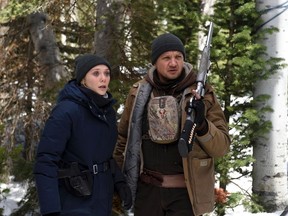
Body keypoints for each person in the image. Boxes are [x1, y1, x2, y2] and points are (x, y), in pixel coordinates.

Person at [114, 33, 231, 216]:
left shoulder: (202, 93)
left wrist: (202, 125)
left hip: (186, 197)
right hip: (147, 195)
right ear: (155, 62)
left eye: (178, 57)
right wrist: (118, 181)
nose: (173, 63)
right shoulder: (138, 93)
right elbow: (123, 139)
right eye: (166, 58)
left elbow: (221, 147)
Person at [34, 54, 132, 216]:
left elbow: (105, 157)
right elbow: (46, 161)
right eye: (96, 73)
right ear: (82, 79)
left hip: (102, 199)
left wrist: (119, 182)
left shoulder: (107, 112)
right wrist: (51, 209)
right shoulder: (66, 111)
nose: (103, 79)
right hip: (73, 200)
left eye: (106, 73)